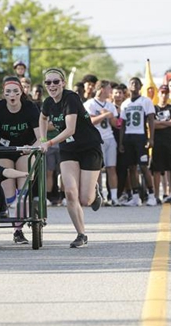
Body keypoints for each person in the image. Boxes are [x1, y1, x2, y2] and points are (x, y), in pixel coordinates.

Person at [39, 67, 104, 248]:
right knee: (69, 192)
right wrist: (42, 139)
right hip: (68, 149)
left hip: (89, 147)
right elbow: (42, 119)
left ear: (63, 83)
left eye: (55, 82)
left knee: (85, 200)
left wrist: (48, 143)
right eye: (48, 82)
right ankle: (81, 234)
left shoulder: (71, 98)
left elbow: (70, 129)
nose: (52, 85)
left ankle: (94, 189)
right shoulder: (48, 103)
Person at [0, 76, 41, 244]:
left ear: (21, 92)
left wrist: (32, 148)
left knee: (23, 189)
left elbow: (42, 137)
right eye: (8, 91)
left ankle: (18, 229)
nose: (12, 95)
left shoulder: (30, 107)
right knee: (10, 195)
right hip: (4, 151)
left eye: (15, 91)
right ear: (4, 93)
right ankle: (16, 221)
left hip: (24, 150)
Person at [119, 77, 157, 207]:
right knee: (132, 167)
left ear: (141, 86)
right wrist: (121, 142)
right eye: (131, 83)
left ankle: (151, 195)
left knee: (144, 166)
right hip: (128, 137)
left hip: (140, 136)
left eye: (136, 83)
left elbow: (151, 120)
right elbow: (122, 125)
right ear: (128, 87)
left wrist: (151, 138)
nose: (134, 85)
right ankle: (135, 197)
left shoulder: (146, 101)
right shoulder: (125, 104)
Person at [84, 80, 120, 205]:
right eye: (109, 89)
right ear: (102, 89)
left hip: (109, 138)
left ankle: (114, 197)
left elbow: (116, 124)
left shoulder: (110, 105)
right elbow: (90, 121)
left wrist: (112, 117)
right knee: (97, 169)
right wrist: (104, 115)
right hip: (96, 139)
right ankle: (99, 196)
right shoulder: (90, 104)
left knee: (111, 167)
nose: (111, 91)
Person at [152, 84, 171, 204]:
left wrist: (162, 123)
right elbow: (152, 124)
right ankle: (156, 195)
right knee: (157, 169)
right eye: (162, 93)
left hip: (170, 142)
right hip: (157, 142)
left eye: (166, 93)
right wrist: (169, 123)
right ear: (158, 94)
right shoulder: (153, 108)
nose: (164, 95)